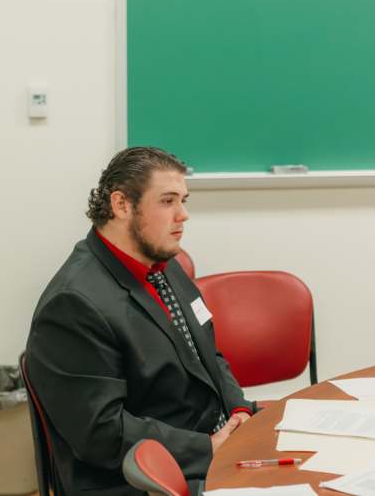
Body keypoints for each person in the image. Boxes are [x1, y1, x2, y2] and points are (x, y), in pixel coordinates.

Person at [25, 147, 254, 495]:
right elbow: (102, 433)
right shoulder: (73, 304)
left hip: (209, 443)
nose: (183, 215)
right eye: (167, 201)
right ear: (121, 205)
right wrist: (208, 448)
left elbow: (208, 354)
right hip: (141, 479)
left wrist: (239, 411)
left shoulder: (163, 264)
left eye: (183, 201)